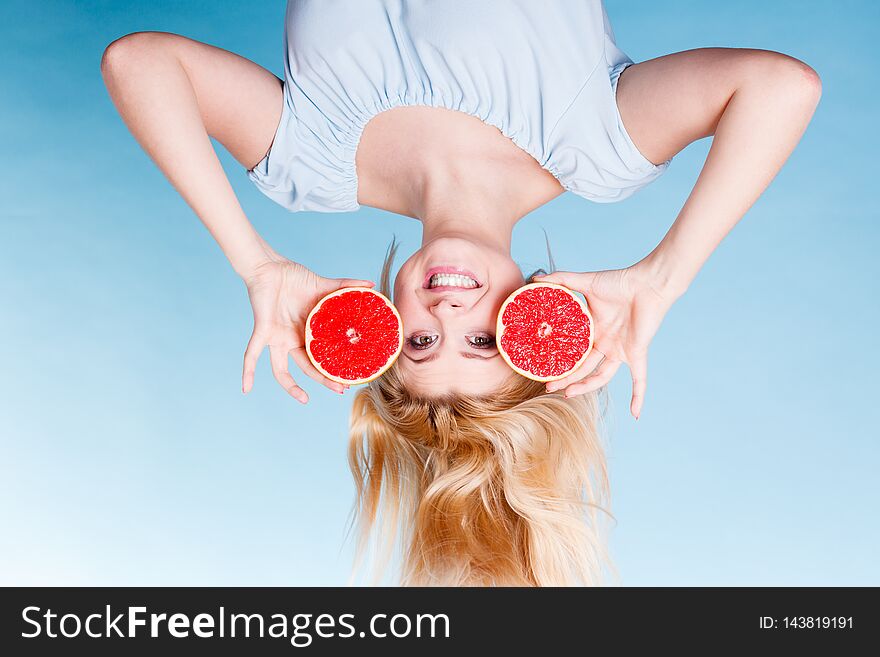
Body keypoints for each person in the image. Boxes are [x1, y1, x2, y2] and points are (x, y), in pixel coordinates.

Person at [101, 1, 821, 585]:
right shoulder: (602, 146)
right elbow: (783, 87)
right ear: (536, 323)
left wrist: (254, 264)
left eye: (419, 342)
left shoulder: (306, 165)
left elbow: (137, 62)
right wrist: (665, 275)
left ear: (380, 327)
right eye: (479, 342)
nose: (446, 314)